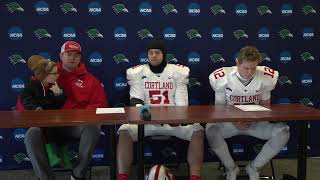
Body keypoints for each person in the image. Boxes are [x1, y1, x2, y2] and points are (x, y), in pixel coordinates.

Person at [117, 40, 204, 180]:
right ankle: (122, 176)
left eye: (157, 52)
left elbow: (182, 103)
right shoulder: (138, 72)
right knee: (124, 130)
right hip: (146, 120)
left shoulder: (177, 72)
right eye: (150, 53)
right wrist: (146, 115)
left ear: (164, 55)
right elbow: (136, 101)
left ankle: (195, 177)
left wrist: (177, 118)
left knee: (197, 130)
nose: (154, 56)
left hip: (172, 121)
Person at [24, 41, 108, 180]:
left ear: (80, 58)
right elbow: (26, 98)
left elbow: (100, 105)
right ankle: (46, 177)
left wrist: (79, 115)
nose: (72, 58)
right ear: (61, 55)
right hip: (47, 125)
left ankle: (78, 174)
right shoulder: (46, 71)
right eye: (69, 54)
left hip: (74, 126)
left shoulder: (91, 80)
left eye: (76, 55)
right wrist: (37, 111)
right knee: (31, 134)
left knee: (93, 127)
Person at [206, 46, 290, 180]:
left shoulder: (265, 77)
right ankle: (231, 169)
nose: (250, 71)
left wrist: (254, 119)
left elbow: (265, 106)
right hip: (230, 123)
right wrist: (235, 120)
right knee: (211, 131)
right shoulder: (223, 77)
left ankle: (254, 168)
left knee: (283, 132)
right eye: (246, 68)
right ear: (237, 62)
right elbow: (220, 109)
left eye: (253, 68)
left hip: (255, 122)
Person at [21, 55, 70, 168]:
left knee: (60, 128)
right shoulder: (31, 87)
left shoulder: (54, 86)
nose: (57, 76)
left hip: (54, 119)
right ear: (44, 75)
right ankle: (51, 154)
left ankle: (64, 155)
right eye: (54, 74)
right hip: (40, 121)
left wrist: (59, 94)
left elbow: (59, 104)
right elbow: (26, 100)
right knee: (47, 129)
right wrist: (36, 108)